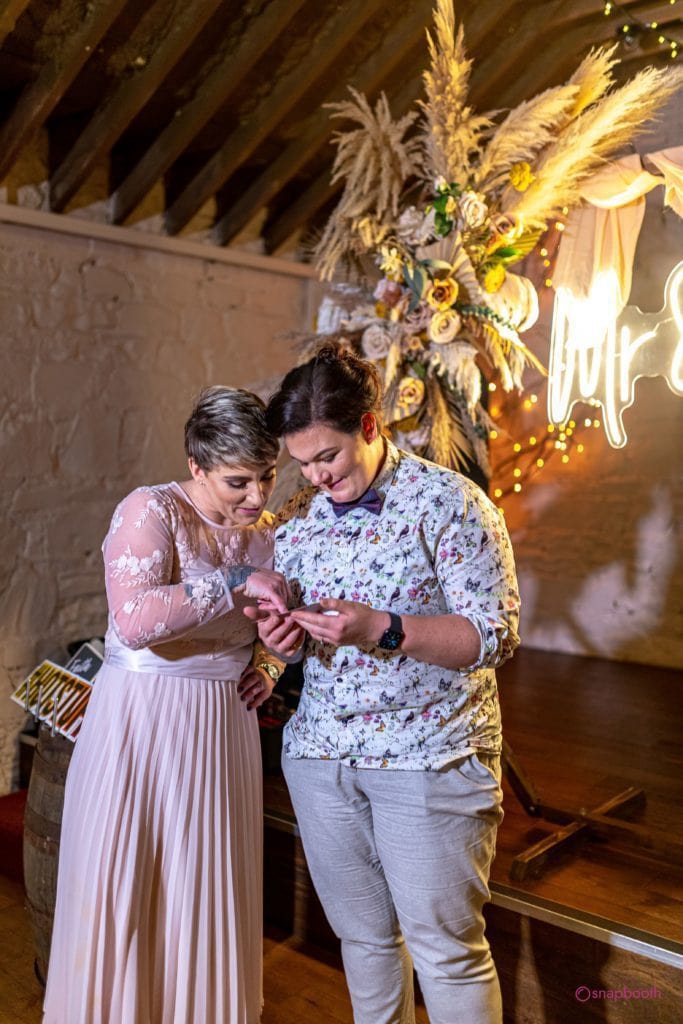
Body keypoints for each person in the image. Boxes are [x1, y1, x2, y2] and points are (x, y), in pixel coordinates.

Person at [255, 343, 520, 1024]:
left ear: (369, 425)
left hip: (430, 757)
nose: (316, 476)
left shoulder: (450, 504)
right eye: (303, 462)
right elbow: (294, 643)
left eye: (327, 456)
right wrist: (281, 644)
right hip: (320, 759)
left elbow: (493, 636)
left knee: (447, 952)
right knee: (364, 940)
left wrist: (382, 627)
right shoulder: (300, 520)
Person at [43, 386, 290, 1024]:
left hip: (224, 726)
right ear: (196, 466)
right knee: (130, 877)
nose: (257, 497)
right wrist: (234, 580)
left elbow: (272, 625)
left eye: (267, 476)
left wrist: (270, 663)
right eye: (239, 482)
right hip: (143, 718)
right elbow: (134, 620)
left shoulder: (266, 534)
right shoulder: (150, 510)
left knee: (206, 885)